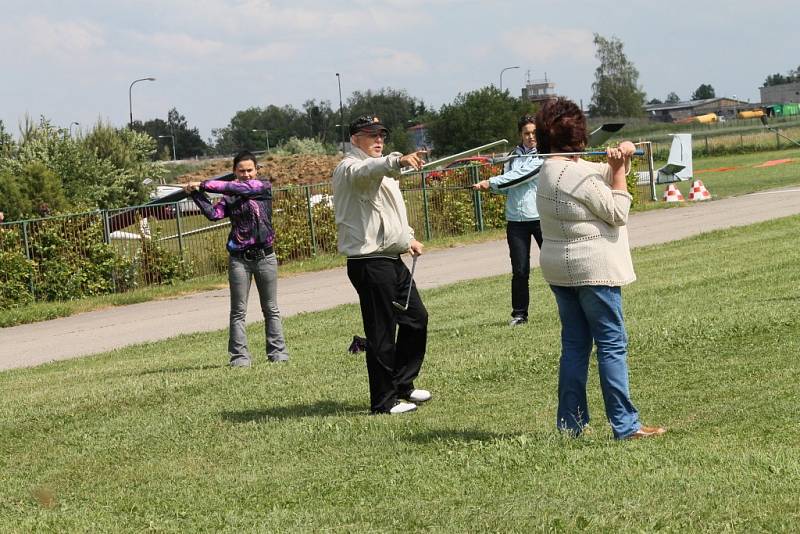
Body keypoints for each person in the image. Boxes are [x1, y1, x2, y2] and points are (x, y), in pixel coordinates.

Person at [534, 97, 666, 440]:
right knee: (611, 344)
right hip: (593, 271)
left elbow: (599, 173)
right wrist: (620, 171)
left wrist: (621, 155)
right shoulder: (574, 172)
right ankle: (625, 425)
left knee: (575, 346)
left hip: (560, 271)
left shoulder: (550, 170)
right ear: (577, 138)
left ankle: (571, 426)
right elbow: (617, 210)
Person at [332, 115, 431, 415]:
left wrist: (408, 238)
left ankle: (403, 384)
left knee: (417, 319)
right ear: (354, 139)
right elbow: (368, 170)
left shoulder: (383, 172)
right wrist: (397, 161)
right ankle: (383, 402)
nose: (379, 140)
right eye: (371, 135)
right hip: (370, 263)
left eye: (382, 135)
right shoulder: (350, 168)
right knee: (381, 333)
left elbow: (391, 213)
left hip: (391, 259)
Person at [185, 150, 289, 367]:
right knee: (238, 311)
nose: (246, 174)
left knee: (271, 308)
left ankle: (278, 354)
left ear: (256, 170)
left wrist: (202, 184)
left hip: (265, 258)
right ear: (234, 172)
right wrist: (194, 194)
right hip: (239, 260)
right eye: (241, 171)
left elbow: (233, 187)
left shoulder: (262, 187)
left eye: (250, 170)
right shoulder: (229, 197)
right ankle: (240, 358)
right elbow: (214, 215)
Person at [473, 114, 543, 326]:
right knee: (520, 270)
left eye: (534, 133)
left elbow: (522, 176)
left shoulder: (544, 154)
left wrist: (491, 182)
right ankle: (520, 315)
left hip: (540, 218)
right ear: (520, 134)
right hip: (515, 221)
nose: (531, 137)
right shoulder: (512, 156)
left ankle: (573, 307)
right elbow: (508, 187)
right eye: (526, 133)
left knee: (555, 265)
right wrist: (490, 188)